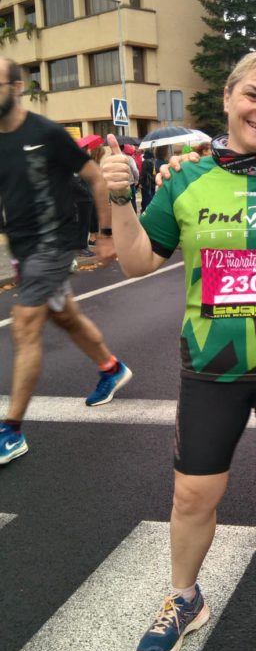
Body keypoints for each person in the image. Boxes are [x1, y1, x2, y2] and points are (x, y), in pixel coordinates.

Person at [102, 50, 256, 651]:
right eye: (253, 95)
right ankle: (185, 598)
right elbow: (138, 262)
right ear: (227, 97)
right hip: (212, 363)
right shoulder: (184, 179)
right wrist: (119, 198)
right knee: (193, 493)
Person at [0, 58, 131, 465]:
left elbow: (95, 178)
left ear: (16, 88)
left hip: (53, 245)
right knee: (67, 317)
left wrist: (105, 235)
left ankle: (12, 430)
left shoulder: (47, 133)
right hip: (23, 249)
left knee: (25, 327)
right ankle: (111, 368)